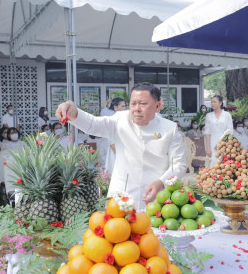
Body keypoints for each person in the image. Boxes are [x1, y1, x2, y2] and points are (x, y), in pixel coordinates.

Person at [56, 82, 186, 210]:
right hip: (122, 195)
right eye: (133, 103)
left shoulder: (170, 128)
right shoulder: (119, 120)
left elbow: (179, 164)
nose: (136, 109)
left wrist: (161, 183)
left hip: (157, 197)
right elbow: (93, 124)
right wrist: (74, 112)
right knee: (117, 229)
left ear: (157, 107)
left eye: (143, 104)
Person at [204, 95, 234, 166]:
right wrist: (208, 148)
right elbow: (207, 133)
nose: (212, 104)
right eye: (211, 102)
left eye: (214, 102)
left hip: (224, 143)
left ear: (220, 103)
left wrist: (220, 143)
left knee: (223, 165)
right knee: (211, 164)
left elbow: (230, 131)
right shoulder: (209, 115)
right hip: (212, 143)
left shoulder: (227, 115)